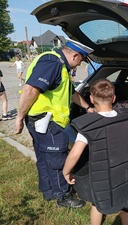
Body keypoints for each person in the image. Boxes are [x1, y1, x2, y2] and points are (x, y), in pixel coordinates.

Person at [14, 38, 95, 208]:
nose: (79, 66)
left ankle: (48, 190)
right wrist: (19, 117)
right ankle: (63, 196)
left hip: (40, 120)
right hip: (47, 122)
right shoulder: (53, 63)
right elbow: (30, 90)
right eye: (80, 61)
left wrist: (88, 107)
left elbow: (70, 92)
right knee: (56, 158)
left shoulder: (59, 65)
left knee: (44, 156)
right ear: (74, 56)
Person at [63, 78, 128, 225]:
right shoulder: (127, 118)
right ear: (113, 98)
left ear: (91, 99)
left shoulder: (89, 125)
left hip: (103, 178)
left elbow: (75, 154)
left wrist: (66, 172)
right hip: (126, 174)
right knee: (126, 208)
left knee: (98, 204)